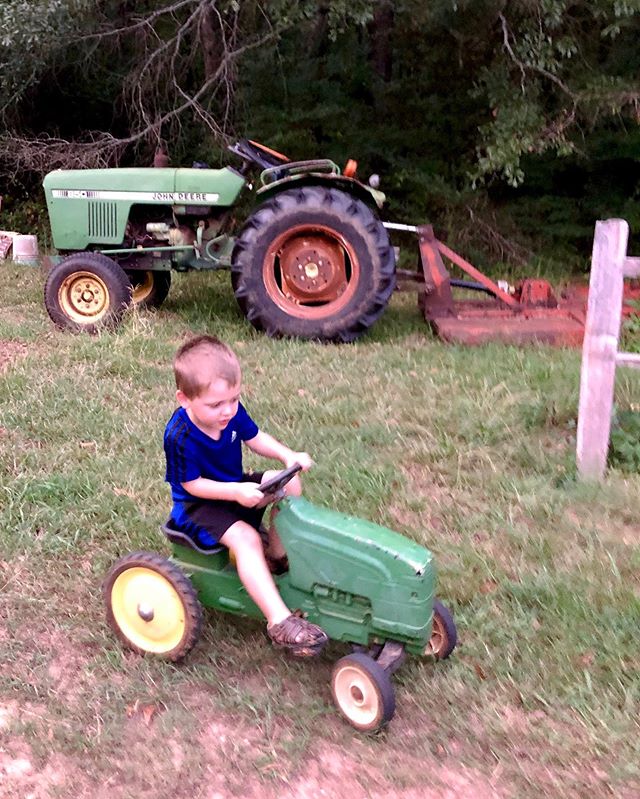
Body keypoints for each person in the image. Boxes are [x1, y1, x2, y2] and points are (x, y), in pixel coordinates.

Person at [163, 334, 328, 657]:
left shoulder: (229, 411)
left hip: (236, 487)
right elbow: (191, 485)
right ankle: (279, 621)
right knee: (247, 538)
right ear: (184, 399)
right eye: (215, 405)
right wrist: (236, 492)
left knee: (288, 485)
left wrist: (287, 455)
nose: (227, 411)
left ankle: (277, 557)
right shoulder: (179, 435)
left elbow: (255, 438)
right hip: (200, 507)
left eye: (234, 400)